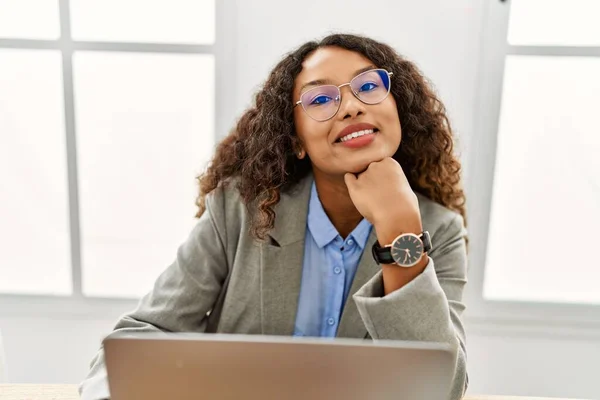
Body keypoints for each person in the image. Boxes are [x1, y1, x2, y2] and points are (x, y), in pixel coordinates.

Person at [80, 33, 469, 400]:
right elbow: (142, 334)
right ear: (296, 139)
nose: (351, 105)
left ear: (397, 108)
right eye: (320, 99)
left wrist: (399, 232)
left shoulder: (440, 229)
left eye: (368, 87)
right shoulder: (237, 210)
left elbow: (442, 388)